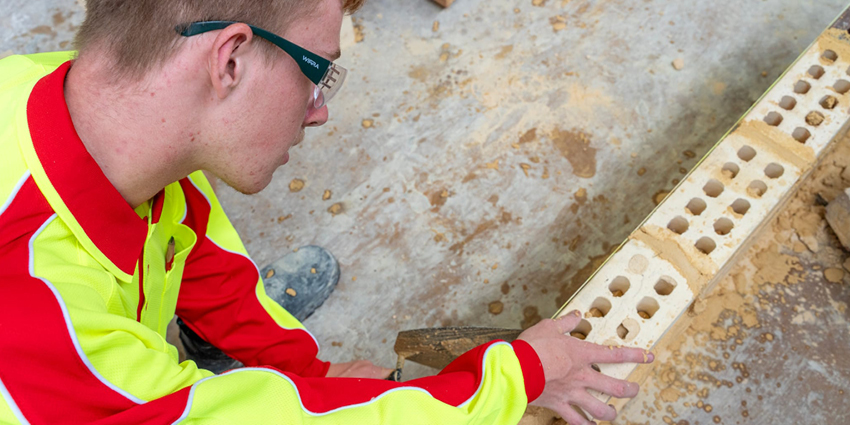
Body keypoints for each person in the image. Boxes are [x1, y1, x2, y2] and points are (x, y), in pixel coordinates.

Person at [0, 0, 653, 423]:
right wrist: (520, 374)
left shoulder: (69, 99)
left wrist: (303, 370)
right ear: (228, 58)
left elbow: (193, 244)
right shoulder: (42, 325)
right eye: (318, 71)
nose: (320, 109)